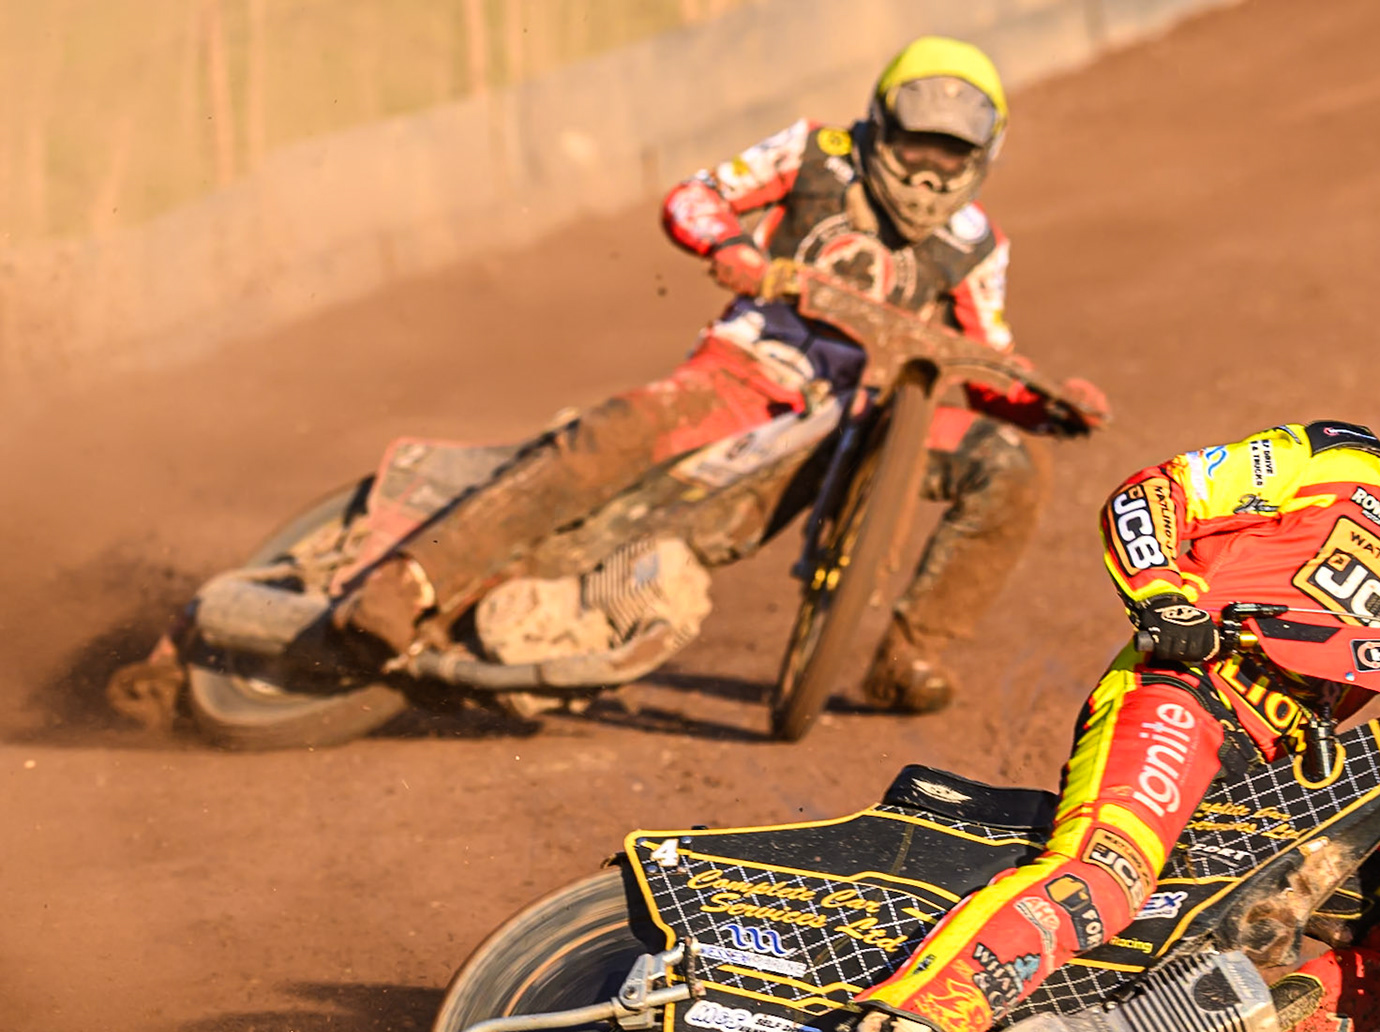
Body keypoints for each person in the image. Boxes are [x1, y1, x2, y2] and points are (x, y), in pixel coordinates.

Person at [812, 312, 1380, 1032]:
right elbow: (1149, 496)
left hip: (1286, 791)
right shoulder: (1332, 460)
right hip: (1184, 698)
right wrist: (1163, 595)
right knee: (1106, 871)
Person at [333, 36, 1108, 713]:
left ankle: (912, 653)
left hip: (867, 418)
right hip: (746, 371)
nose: (928, 174)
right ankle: (412, 581)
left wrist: (1051, 405)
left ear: (982, 159)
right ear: (880, 124)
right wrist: (731, 251)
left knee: (1014, 461)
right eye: (915, 148)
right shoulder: (813, 153)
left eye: (951, 158)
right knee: (618, 432)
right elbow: (697, 195)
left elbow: (989, 360)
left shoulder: (978, 244)